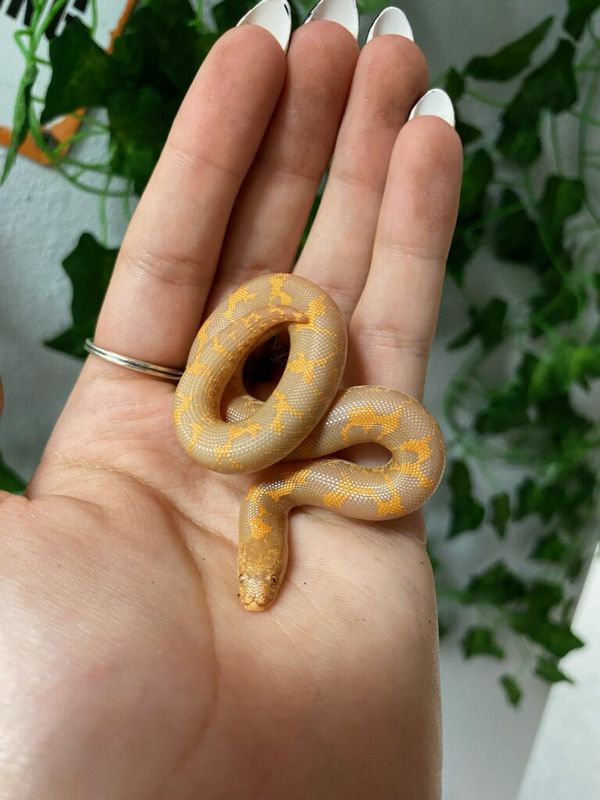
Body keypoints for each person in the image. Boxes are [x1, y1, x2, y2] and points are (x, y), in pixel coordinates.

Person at [0, 0, 462, 797]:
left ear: (267, 543)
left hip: (274, 378)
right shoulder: (270, 470)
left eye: (259, 580)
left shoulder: (273, 472)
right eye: (266, 582)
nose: (263, 591)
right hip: (271, 378)